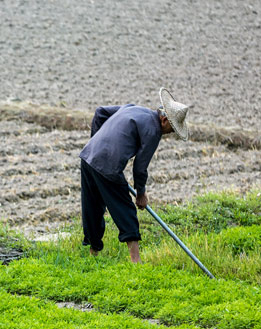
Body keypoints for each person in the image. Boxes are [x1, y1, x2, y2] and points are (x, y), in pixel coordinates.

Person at [78, 88, 190, 263]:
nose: (172, 133)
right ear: (165, 120)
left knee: (92, 205)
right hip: (108, 165)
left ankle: (93, 253)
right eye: (173, 128)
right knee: (125, 208)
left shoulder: (133, 108)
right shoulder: (154, 131)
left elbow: (100, 112)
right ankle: (135, 260)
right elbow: (140, 167)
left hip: (88, 157)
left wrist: (95, 142)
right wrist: (141, 194)